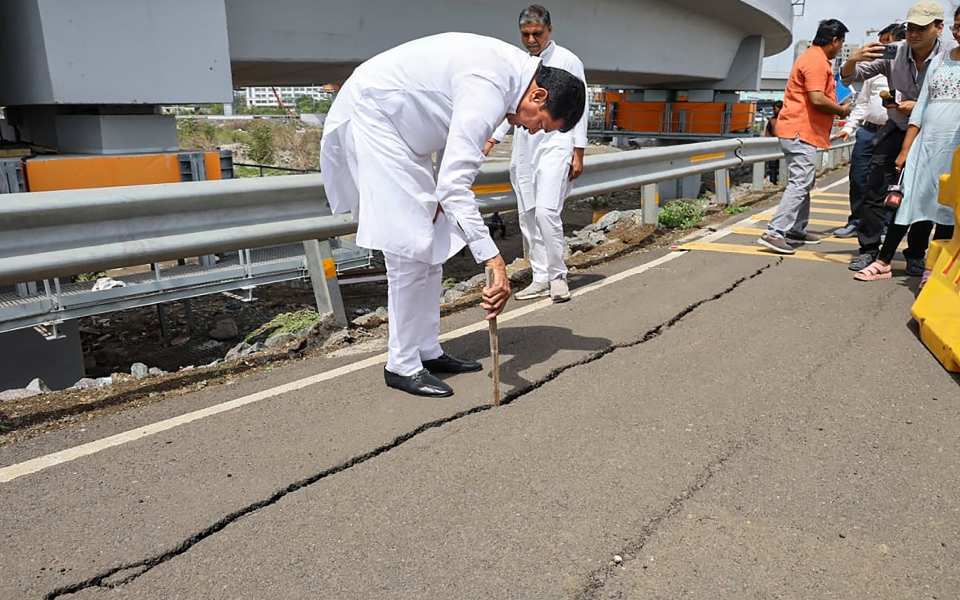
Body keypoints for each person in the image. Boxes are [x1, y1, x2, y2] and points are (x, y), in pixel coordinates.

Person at [319, 33, 585, 398]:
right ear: (539, 95)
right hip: (375, 117)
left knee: (433, 242)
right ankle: (401, 364)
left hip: (408, 132)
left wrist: (446, 199)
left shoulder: (507, 80)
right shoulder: (490, 88)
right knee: (409, 248)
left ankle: (427, 350)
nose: (531, 130)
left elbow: (455, 156)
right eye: (541, 123)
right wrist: (494, 260)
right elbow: (454, 184)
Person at [483, 5, 589, 304]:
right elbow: (510, 105)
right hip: (525, 145)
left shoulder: (569, 61)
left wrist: (578, 152)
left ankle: (557, 277)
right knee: (527, 215)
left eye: (537, 33)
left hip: (557, 141)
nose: (531, 40)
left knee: (546, 211)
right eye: (525, 34)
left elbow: (579, 109)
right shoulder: (519, 63)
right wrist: (492, 138)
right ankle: (540, 276)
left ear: (549, 30)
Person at [841, 0, 954, 272]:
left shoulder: (950, 55)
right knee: (875, 186)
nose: (913, 34)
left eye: (921, 28)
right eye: (910, 28)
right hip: (897, 127)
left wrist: (919, 107)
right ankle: (869, 249)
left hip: (934, 133)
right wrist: (853, 59)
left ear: (939, 28)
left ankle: (916, 252)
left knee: (926, 192)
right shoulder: (895, 52)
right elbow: (848, 77)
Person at [757, 19, 853, 255]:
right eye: (841, 43)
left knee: (804, 181)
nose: (841, 47)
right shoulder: (816, 62)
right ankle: (775, 231)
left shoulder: (813, 57)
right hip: (800, 131)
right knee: (801, 181)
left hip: (799, 130)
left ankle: (796, 229)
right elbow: (817, 99)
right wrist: (842, 110)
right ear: (835, 40)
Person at [834, 23, 904, 238]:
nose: (882, 49)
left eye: (887, 44)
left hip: (894, 132)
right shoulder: (873, 70)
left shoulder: (909, 71)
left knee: (888, 183)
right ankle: (856, 221)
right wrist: (849, 127)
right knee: (858, 178)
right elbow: (862, 103)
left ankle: (884, 226)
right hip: (868, 131)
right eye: (880, 44)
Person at [764, 101, 783, 184]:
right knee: (773, 165)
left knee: (783, 165)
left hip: (784, 146)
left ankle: (782, 180)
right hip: (774, 146)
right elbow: (767, 133)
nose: (774, 111)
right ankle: (773, 181)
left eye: (775, 109)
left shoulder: (787, 119)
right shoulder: (772, 120)